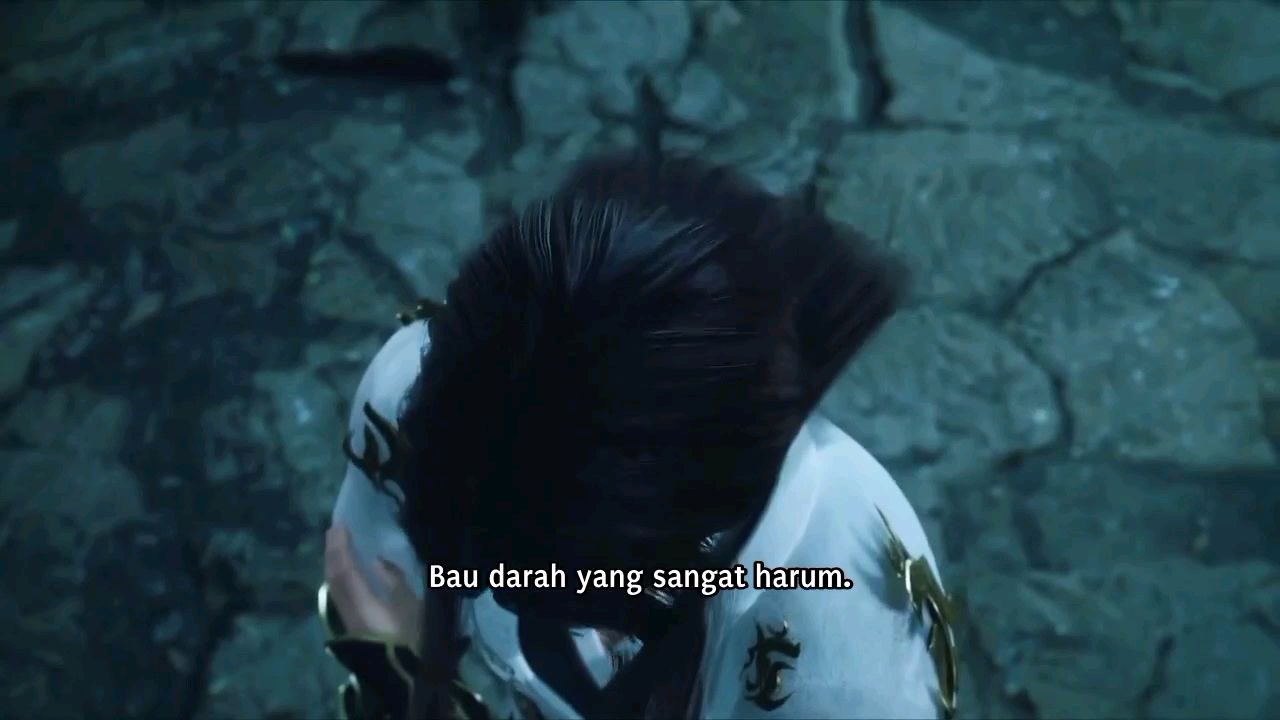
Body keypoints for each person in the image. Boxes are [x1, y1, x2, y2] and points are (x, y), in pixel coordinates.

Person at [318, 153, 957, 719]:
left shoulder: (850, 641)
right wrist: (396, 670)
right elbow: (378, 590)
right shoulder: (417, 403)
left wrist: (399, 677)